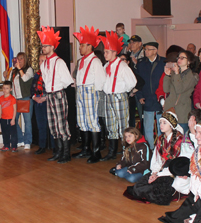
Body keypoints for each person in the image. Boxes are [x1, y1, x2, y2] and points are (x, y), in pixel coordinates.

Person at [158, 117, 201, 223]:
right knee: (180, 215)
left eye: (200, 133)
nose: (197, 136)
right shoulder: (200, 149)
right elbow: (195, 171)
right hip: (199, 187)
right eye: (196, 133)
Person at [123, 111, 186, 205]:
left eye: (164, 123)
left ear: (171, 125)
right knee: (137, 187)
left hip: (171, 173)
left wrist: (159, 175)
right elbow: (157, 159)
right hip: (160, 170)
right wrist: (154, 172)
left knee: (159, 193)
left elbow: (177, 164)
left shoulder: (179, 140)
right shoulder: (160, 139)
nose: (161, 125)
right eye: (160, 122)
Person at [37, 26, 74, 163]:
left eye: (45, 46)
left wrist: (57, 89)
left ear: (52, 46)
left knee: (61, 124)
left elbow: (68, 81)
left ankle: (66, 153)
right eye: (42, 46)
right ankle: (58, 151)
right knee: (53, 124)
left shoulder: (59, 62)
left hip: (58, 94)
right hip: (50, 95)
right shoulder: (44, 63)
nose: (43, 48)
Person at [99, 31, 137, 161]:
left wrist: (121, 92)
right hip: (108, 97)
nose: (105, 54)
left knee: (123, 126)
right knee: (111, 125)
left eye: (107, 52)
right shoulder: (106, 66)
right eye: (104, 52)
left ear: (115, 52)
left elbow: (132, 82)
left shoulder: (122, 66)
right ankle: (112, 152)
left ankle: (127, 154)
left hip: (119, 97)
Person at [71, 26, 106, 163]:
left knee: (92, 122)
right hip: (80, 91)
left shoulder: (95, 61)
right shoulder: (81, 61)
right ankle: (86, 149)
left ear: (89, 46)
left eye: (82, 45)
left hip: (90, 91)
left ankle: (96, 152)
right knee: (82, 121)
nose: (79, 48)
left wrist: (94, 92)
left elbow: (101, 80)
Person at [135, 42, 165, 148]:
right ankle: (150, 149)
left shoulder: (163, 62)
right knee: (147, 127)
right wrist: (140, 95)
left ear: (155, 50)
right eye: (145, 49)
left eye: (148, 49)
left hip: (160, 99)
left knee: (162, 126)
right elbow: (138, 81)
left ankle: (161, 148)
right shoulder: (141, 63)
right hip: (147, 98)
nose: (146, 51)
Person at [162, 50, 199, 132]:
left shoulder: (192, 76)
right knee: (170, 137)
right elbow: (166, 89)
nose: (179, 59)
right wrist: (167, 75)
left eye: (182, 58)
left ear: (189, 61)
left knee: (181, 137)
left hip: (181, 111)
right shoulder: (174, 73)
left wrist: (177, 73)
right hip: (170, 109)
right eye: (178, 57)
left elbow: (179, 89)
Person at [5, 52, 34, 149]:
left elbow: (25, 79)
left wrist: (20, 69)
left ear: (25, 59)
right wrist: (6, 76)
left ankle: (27, 141)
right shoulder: (14, 72)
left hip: (26, 98)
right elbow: (9, 83)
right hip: (16, 99)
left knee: (27, 121)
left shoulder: (29, 69)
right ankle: (20, 139)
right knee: (13, 120)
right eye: (18, 58)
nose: (19, 60)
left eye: (21, 58)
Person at [30, 54, 50, 154]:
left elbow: (52, 88)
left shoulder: (50, 74)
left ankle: (53, 146)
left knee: (50, 125)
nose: (40, 63)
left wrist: (44, 98)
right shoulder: (37, 74)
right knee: (40, 125)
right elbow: (32, 88)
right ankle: (42, 146)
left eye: (43, 60)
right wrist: (34, 97)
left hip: (47, 101)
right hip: (37, 102)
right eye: (39, 61)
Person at [119, 53, 145, 129]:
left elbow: (141, 82)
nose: (121, 61)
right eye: (119, 59)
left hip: (129, 99)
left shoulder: (130, 71)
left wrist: (133, 91)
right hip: (120, 99)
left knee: (130, 119)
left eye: (123, 59)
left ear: (128, 62)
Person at [0, 81, 17, 152]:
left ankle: (14, 146)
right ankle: (6, 145)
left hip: (10, 119)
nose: (5, 90)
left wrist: (13, 119)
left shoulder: (12, 98)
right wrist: (0, 117)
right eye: (4, 88)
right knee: (5, 133)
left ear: (11, 89)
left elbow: (15, 109)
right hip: (3, 119)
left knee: (13, 133)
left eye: (7, 88)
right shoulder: (0, 98)